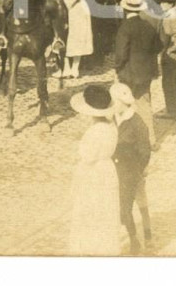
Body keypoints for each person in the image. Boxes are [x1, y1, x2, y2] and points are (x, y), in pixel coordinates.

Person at [68, 84, 121, 256]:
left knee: (90, 210)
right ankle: (105, 247)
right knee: (106, 210)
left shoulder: (94, 132)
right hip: (108, 171)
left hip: (94, 173)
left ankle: (89, 248)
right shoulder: (111, 127)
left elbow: (88, 156)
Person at [110, 82, 152, 255]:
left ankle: (141, 237)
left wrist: (138, 170)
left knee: (138, 202)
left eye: (114, 102)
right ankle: (134, 237)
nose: (112, 106)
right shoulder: (112, 119)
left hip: (132, 171)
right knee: (123, 205)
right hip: (115, 171)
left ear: (122, 103)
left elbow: (145, 151)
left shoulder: (137, 122)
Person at [114, 0, 161, 142]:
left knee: (122, 106)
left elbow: (121, 54)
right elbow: (158, 46)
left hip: (128, 74)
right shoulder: (148, 26)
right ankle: (151, 140)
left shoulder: (125, 28)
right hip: (145, 74)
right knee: (145, 106)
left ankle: (124, 140)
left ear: (125, 9)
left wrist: (117, 68)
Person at [60, 0, 94, 79]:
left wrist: (65, 8)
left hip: (73, 10)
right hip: (82, 9)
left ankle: (66, 68)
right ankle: (75, 68)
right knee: (78, 38)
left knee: (68, 36)